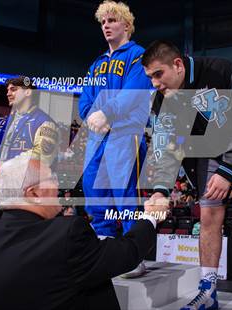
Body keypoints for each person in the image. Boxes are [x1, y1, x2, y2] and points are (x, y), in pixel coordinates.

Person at [142, 40, 232, 310]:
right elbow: (165, 148)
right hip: (206, 157)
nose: (155, 83)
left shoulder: (222, 71)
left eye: (158, 74)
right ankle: (208, 291)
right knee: (209, 219)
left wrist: (227, 171)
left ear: (177, 65)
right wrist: (160, 189)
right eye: (150, 77)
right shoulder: (160, 100)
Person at [0, 156, 169, 310]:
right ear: (34, 193)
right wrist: (150, 216)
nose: (59, 185)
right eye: (52, 178)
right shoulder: (66, 234)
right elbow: (128, 253)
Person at [78, 0, 152, 277]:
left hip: (125, 133)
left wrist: (107, 114)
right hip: (97, 136)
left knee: (125, 194)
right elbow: (85, 100)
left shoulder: (138, 56)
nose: (106, 26)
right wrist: (91, 117)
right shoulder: (97, 63)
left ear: (127, 25)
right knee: (93, 190)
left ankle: (135, 256)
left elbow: (134, 92)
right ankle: (105, 245)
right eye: (103, 22)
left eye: (112, 20)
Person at [0, 76, 59, 220]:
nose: (8, 93)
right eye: (7, 90)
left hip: (25, 197)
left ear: (28, 92)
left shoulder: (44, 122)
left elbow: (42, 155)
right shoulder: (2, 123)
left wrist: (7, 166)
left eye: (13, 89)